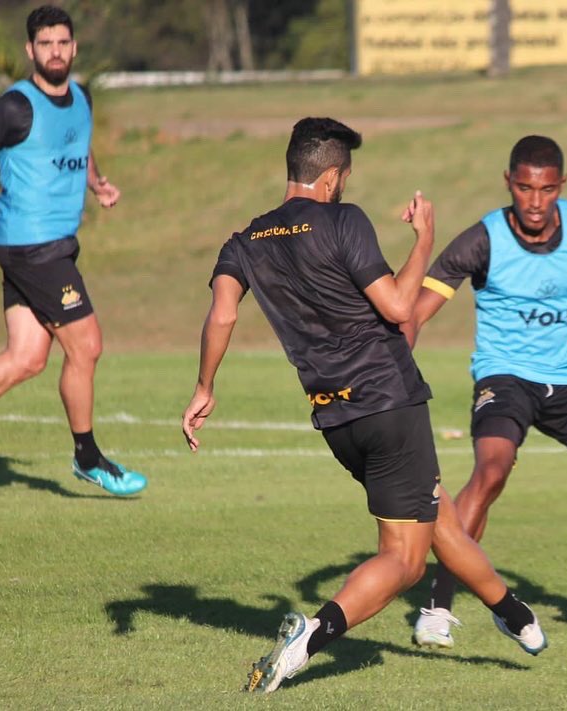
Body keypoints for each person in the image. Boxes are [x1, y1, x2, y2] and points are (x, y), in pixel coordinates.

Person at [181, 117, 547, 694]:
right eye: (345, 176)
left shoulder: (244, 243)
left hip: (335, 419)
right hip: (389, 402)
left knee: (436, 514)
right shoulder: (341, 219)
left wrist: (204, 387)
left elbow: (222, 315)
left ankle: (513, 613)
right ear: (330, 178)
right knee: (404, 559)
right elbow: (400, 306)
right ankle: (310, 638)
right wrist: (425, 237)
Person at [407, 135, 567, 647]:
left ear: (561, 185)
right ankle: (437, 606)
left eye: (546, 190)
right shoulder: (482, 240)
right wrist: (393, 365)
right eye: (524, 188)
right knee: (491, 471)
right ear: (509, 183)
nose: (535, 202)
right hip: (506, 377)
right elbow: (415, 311)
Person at [0, 5, 146, 497]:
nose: (56, 52)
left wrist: (96, 183)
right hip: (33, 247)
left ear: (74, 47)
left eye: (63, 43)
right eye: (46, 44)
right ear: (31, 51)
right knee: (87, 345)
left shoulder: (80, 98)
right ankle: (88, 457)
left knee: (26, 358)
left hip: (54, 245)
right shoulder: (13, 107)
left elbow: (77, 143)